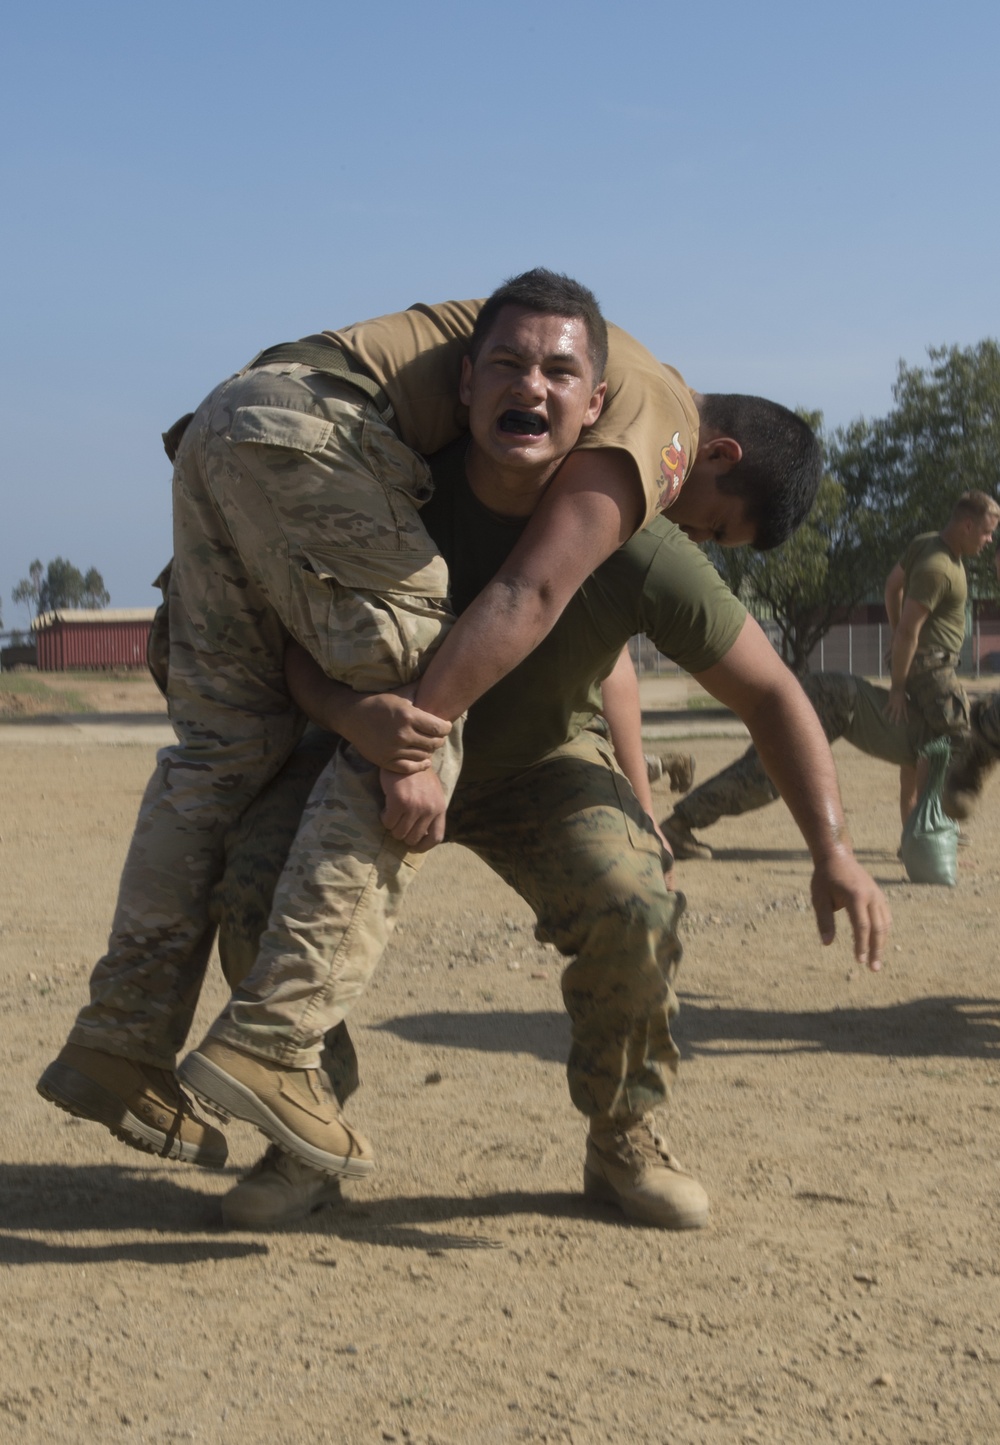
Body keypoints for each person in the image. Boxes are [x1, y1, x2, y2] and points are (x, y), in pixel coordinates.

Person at [39, 271, 824, 1174]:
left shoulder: (606, 509)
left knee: (223, 752)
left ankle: (119, 1040)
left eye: (556, 376)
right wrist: (401, 740)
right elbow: (528, 593)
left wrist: (653, 801)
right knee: (426, 685)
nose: (691, 528)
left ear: (590, 399)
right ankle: (278, 1054)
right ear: (714, 455)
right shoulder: (655, 422)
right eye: (717, 528)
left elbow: (614, 661)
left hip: (227, 426)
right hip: (313, 436)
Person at [172, 322, 888, 1232]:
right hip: (375, 754)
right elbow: (281, 643)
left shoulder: (644, 547)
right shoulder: (396, 485)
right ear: (471, 384)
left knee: (635, 899)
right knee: (252, 886)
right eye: (515, 372)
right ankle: (301, 1135)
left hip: (536, 766)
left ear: (595, 403)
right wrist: (358, 720)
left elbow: (774, 694)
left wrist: (833, 851)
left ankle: (623, 1134)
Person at [660, 670, 947, 860]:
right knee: (769, 775)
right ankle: (678, 825)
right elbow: (921, 794)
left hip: (834, 693)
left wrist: (913, 844)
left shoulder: (929, 737)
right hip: (835, 699)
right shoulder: (943, 738)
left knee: (764, 768)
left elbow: (911, 792)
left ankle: (680, 824)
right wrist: (925, 847)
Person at [884, 491, 1000, 823]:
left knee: (920, 742)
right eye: (986, 532)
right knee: (963, 738)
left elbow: (892, 585)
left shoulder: (925, 543)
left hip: (921, 663)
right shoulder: (941, 567)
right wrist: (896, 686)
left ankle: (913, 827)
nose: (989, 540)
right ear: (967, 525)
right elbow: (909, 629)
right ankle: (930, 826)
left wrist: (895, 639)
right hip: (932, 667)